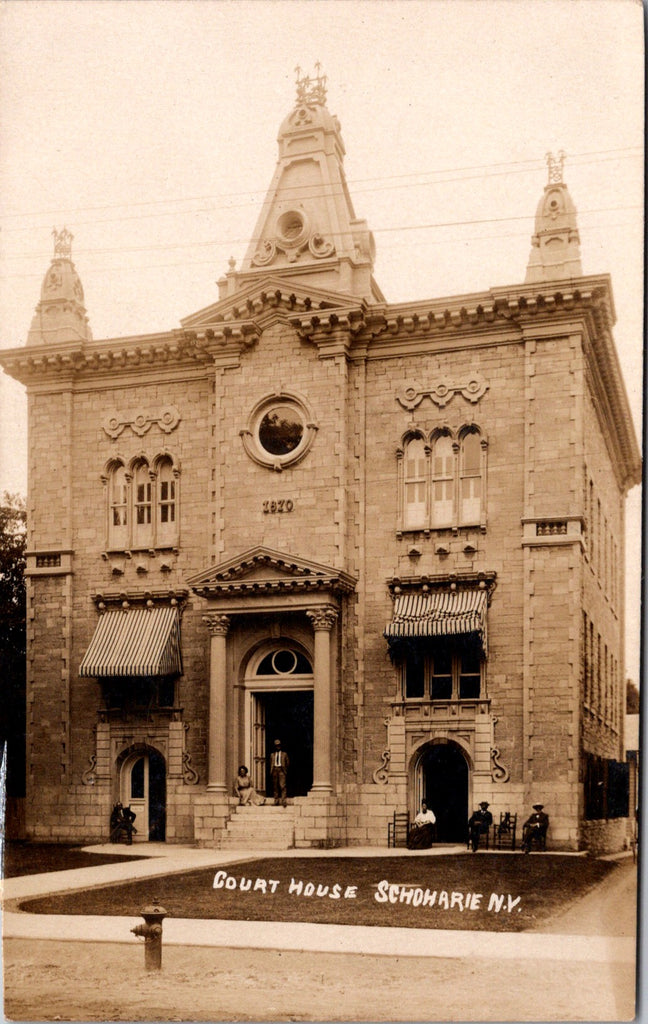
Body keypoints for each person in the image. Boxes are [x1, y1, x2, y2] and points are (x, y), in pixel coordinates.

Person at [269, 738, 289, 807]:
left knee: (282, 786)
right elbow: (271, 763)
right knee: (275, 786)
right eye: (276, 745)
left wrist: (284, 770)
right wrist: (272, 771)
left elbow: (287, 763)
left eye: (279, 745)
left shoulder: (284, 754)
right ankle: (276, 801)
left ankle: (283, 801)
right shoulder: (272, 755)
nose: (278, 747)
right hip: (275, 770)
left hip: (281, 770)